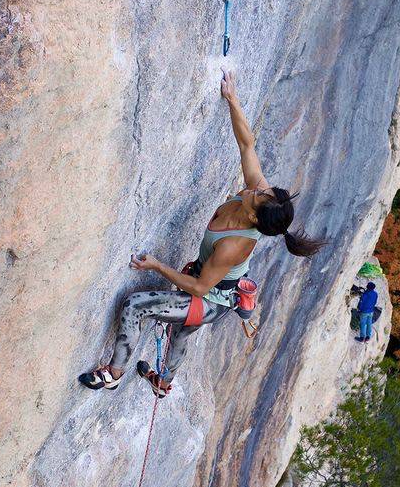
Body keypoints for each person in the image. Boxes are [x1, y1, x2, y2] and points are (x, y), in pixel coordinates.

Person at [79, 71, 327, 398]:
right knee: (180, 335)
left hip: (210, 299)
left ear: (254, 216)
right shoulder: (257, 198)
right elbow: (247, 144)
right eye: (264, 191)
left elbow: (198, 288)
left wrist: (156, 267)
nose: (259, 188)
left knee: (136, 304)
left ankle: (113, 373)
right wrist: (232, 99)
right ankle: (163, 383)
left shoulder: (234, 245)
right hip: (210, 283)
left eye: (261, 195)